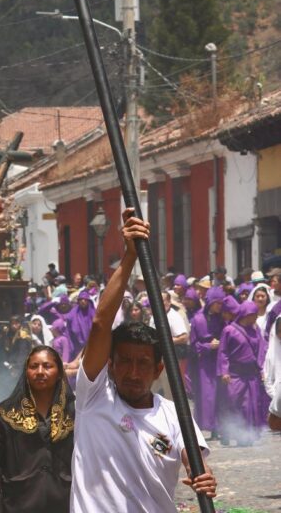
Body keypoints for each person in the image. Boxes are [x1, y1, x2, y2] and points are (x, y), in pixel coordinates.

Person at [70, 208, 216, 512]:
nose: (133, 372)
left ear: (158, 369)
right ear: (111, 364)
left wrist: (205, 478)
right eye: (124, 362)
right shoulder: (93, 396)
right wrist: (129, 257)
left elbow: (197, 464)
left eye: (143, 364)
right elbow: (100, 323)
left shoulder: (174, 416)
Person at [0, 344, 74, 513]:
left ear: (59, 372)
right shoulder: (6, 415)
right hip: (18, 504)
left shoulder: (75, 414)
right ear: (26, 372)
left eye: (47, 366)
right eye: (33, 366)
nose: (40, 371)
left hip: (64, 503)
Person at [216, 299, 269, 445]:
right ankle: (230, 433)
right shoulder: (229, 330)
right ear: (246, 314)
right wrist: (224, 371)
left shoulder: (255, 330)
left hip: (251, 374)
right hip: (235, 374)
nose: (256, 317)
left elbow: (261, 349)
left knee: (250, 405)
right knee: (234, 403)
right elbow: (223, 352)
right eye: (254, 314)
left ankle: (246, 436)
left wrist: (261, 368)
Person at [188, 285, 224, 437]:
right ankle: (205, 426)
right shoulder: (197, 319)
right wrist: (209, 346)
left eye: (221, 303)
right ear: (210, 303)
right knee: (207, 395)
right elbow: (194, 343)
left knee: (219, 395)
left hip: (219, 361)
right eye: (217, 303)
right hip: (204, 363)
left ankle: (218, 427)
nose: (220, 306)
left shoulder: (221, 318)